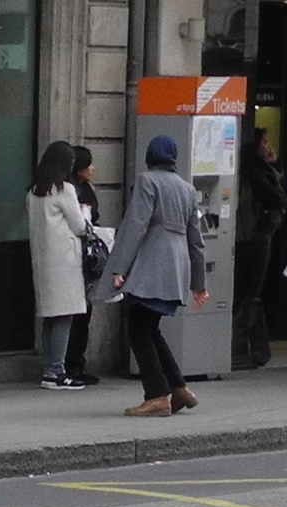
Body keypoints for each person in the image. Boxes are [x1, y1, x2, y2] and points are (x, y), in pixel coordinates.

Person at [105, 132, 209, 417]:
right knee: (149, 328)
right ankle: (178, 388)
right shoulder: (187, 189)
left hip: (152, 263)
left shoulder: (147, 181)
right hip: (177, 265)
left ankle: (157, 395)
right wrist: (198, 284)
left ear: (150, 157)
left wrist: (119, 269)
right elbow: (196, 240)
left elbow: (135, 225)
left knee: (138, 328)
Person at [28, 140, 92, 389]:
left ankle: (49, 368)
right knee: (64, 317)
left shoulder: (34, 190)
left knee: (50, 317)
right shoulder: (64, 189)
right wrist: (86, 215)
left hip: (43, 260)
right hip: (65, 261)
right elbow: (79, 226)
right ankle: (56, 371)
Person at [234, 130, 287, 368]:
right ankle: (245, 346)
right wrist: (274, 170)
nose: (269, 147)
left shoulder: (260, 169)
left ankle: (252, 347)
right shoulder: (256, 172)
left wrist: (275, 165)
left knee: (252, 291)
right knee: (252, 292)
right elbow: (278, 196)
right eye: (264, 142)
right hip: (257, 235)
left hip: (258, 234)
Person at [66, 146, 105, 383]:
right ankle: (72, 364)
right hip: (76, 255)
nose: (93, 168)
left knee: (83, 313)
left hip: (85, 257)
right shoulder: (72, 191)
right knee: (78, 315)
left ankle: (76, 363)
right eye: (88, 164)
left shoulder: (85, 190)